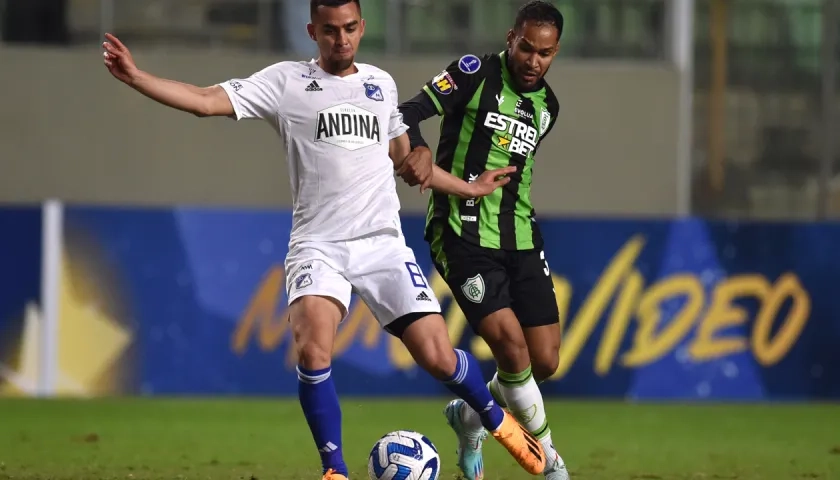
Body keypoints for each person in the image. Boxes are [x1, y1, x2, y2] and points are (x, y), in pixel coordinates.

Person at [101, 1, 546, 479]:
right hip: (319, 245)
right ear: (313, 31)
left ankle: (497, 421)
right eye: (330, 30)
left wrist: (469, 186)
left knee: (438, 357)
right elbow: (205, 99)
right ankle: (334, 470)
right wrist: (136, 78)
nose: (342, 39)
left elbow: (405, 161)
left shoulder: (381, 85)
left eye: (350, 28)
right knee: (313, 351)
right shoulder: (285, 82)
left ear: (362, 28)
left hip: (382, 243)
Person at [397, 1, 569, 480]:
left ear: (556, 52)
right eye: (527, 48)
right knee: (511, 348)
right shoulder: (472, 74)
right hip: (461, 234)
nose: (534, 61)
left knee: (545, 361)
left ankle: (469, 415)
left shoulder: (548, 107)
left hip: (519, 236)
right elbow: (406, 112)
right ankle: (551, 463)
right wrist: (422, 147)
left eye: (546, 53)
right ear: (512, 37)